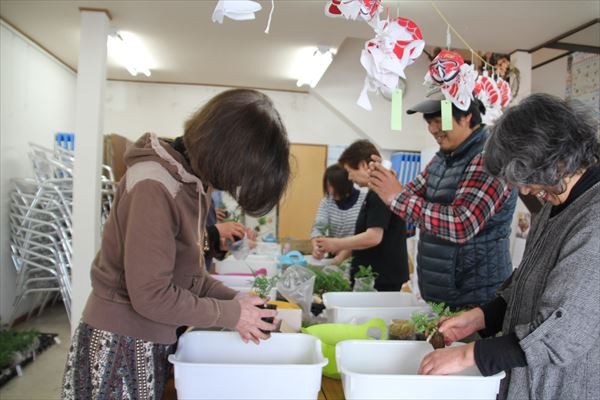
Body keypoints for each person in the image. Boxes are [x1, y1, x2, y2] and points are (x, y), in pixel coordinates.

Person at [62, 89, 291, 399]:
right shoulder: (153, 186)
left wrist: (238, 300)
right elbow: (151, 295)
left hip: (152, 336)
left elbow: (191, 277)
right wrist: (232, 314)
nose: (234, 185)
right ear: (226, 153)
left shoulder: (193, 183)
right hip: (119, 343)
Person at [418, 94, 600, 399]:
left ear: (556, 159)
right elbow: (526, 285)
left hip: (567, 386)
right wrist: (481, 317)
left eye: (528, 178)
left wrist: (468, 355)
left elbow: (563, 333)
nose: (526, 190)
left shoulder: (593, 219)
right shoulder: (553, 206)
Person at [369, 95, 517, 309]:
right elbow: (409, 196)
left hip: (475, 299)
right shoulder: (443, 157)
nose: (432, 129)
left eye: (438, 120)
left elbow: (462, 224)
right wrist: (384, 181)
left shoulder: (489, 157)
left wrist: (397, 196)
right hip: (441, 294)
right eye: (429, 122)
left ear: (466, 116)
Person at [315, 140, 409, 291]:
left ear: (363, 165)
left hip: (381, 278)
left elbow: (373, 237)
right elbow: (363, 236)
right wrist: (339, 258)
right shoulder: (374, 192)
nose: (350, 178)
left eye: (350, 172)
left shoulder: (380, 192)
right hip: (374, 276)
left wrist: (337, 244)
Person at [310, 164, 367, 262]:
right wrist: (317, 247)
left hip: (357, 259)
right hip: (334, 258)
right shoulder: (327, 201)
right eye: (328, 186)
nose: (331, 191)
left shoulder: (364, 200)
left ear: (346, 184)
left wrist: (341, 257)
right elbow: (318, 228)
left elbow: (364, 235)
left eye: (335, 187)